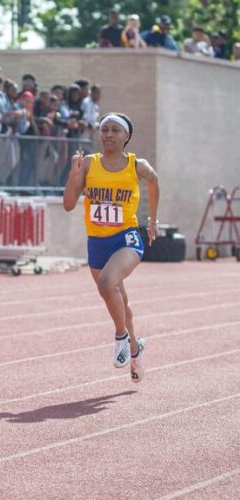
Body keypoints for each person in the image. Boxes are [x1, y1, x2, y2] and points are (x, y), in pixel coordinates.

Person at [63, 113, 160, 383]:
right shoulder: (88, 164)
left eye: (115, 130)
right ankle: (134, 348)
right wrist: (73, 176)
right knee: (120, 299)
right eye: (104, 129)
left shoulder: (136, 165)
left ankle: (120, 338)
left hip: (126, 238)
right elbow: (69, 204)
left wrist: (152, 220)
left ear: (126, 136)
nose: (108, 134)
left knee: (106, 284)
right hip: (97, 242)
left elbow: (153, 182)